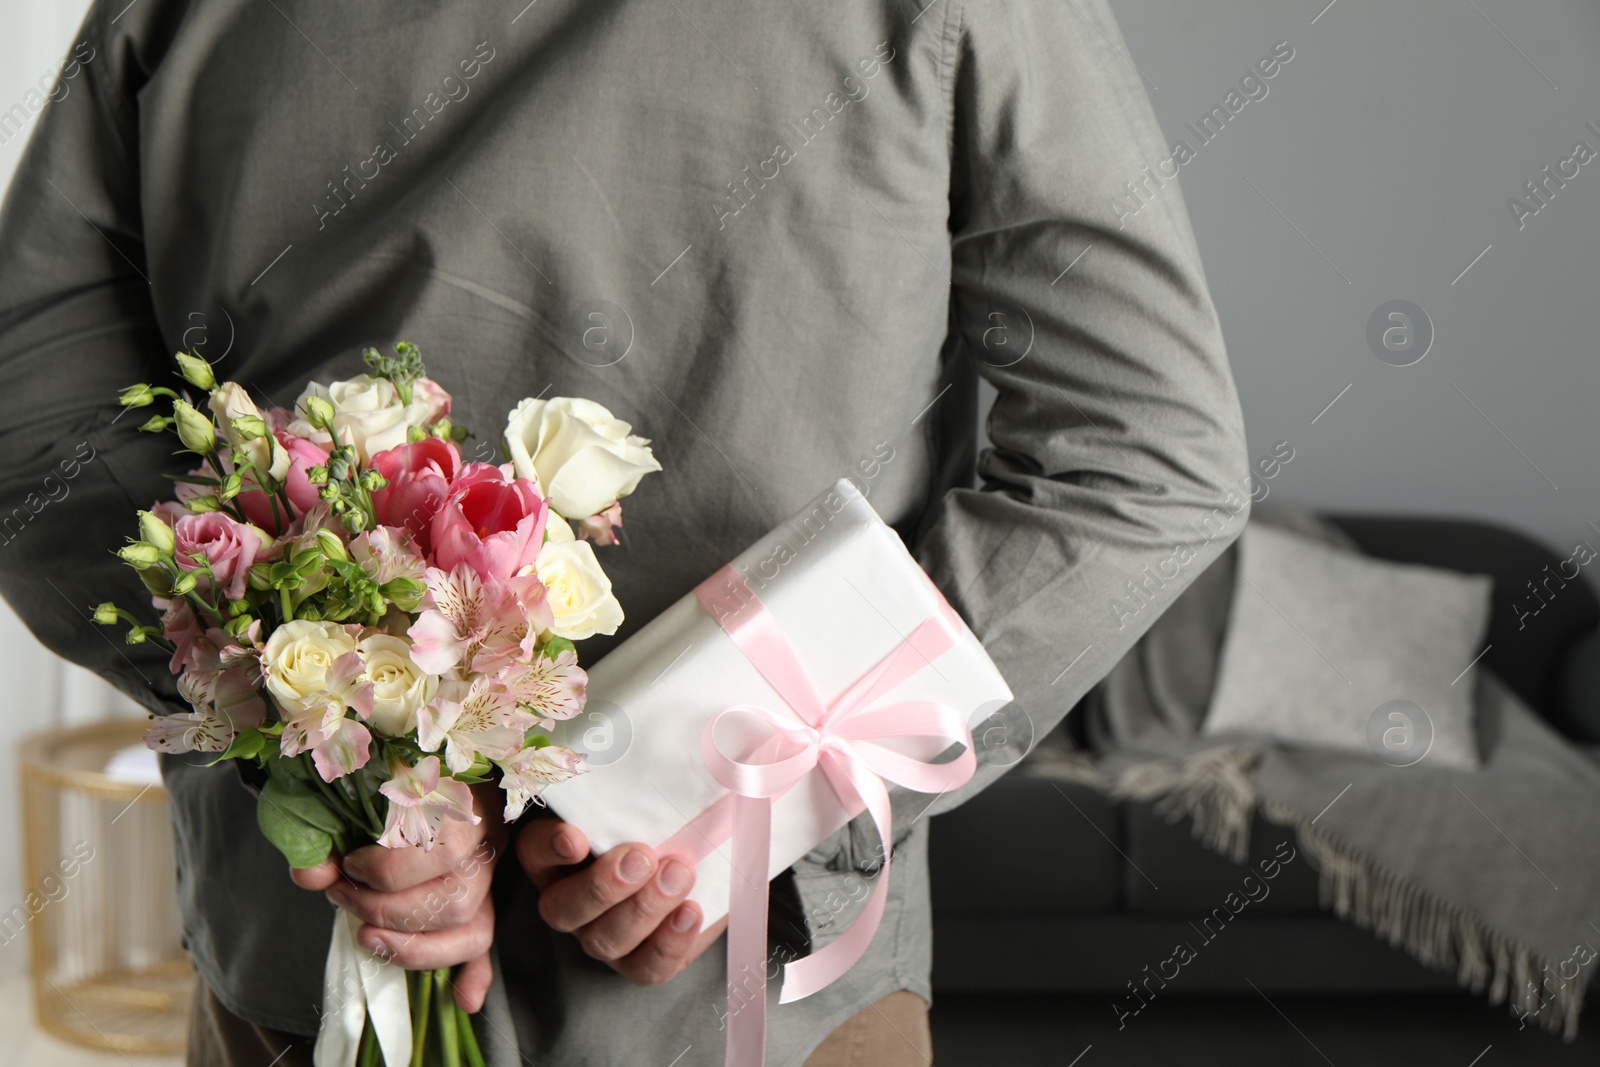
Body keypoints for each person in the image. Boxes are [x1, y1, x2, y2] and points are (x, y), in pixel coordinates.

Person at [0, 0, 1249, 1063]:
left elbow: (33, 436)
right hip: (743, 988)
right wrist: (704, 800)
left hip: (333, 960)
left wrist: (337, 736)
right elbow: (1143, 460)